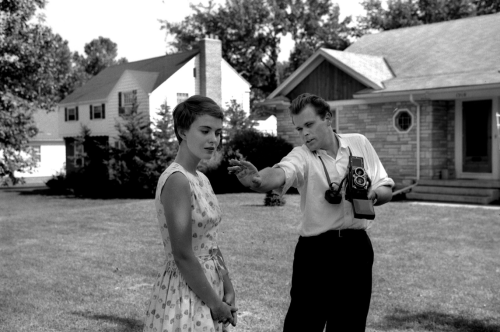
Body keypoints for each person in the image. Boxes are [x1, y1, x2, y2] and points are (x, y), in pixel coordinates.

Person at [228, 93, 394, 332]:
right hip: (316, 253)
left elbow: (385, 186)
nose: (304, 133)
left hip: (356, 251)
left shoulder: (359, 143)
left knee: (350, 325)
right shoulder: (302, 155)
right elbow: (280, 174)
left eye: (309, 125)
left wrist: (373, 195)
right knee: (303, 325)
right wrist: (256, 180)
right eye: (299, 129)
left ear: (327, 118)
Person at [144, 95, 237, 332]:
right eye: (205, 131)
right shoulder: (177, 180)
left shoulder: (201, 179)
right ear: (183, 131)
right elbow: (183, 254)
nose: (213, 140)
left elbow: (211, 243)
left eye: (217, 133)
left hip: (210, 285)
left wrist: (227, 287)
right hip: (186, 290)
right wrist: (216, 305)